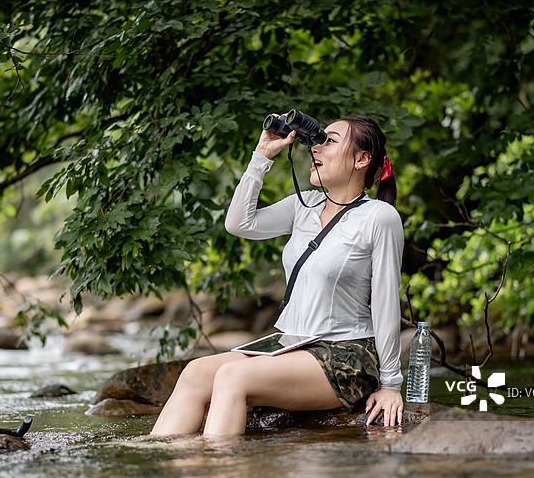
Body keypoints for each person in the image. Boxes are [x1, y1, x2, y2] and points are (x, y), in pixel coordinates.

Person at [150, 113, 404, 436]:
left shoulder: (379, 218)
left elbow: (385, 303)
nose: (316, 149)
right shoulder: (305, 206)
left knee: (232, 377)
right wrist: (262, 155)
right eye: (316, 140)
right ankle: (160, 467)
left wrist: (392, 383)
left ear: (362, 159)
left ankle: (217, 477)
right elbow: (239, 223)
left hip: (346, 353)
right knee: (195, 372)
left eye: (330, 142)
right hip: (293, 346)